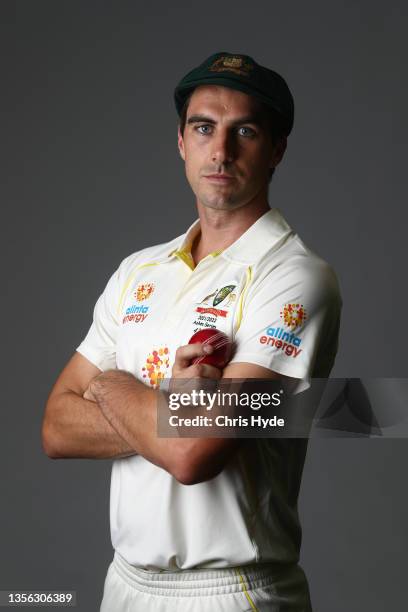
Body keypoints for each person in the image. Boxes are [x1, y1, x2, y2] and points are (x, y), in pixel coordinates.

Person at [42, 52, 342, 611]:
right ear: (182, 142)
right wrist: (168, 409)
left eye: (244, 131)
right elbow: (56, 427)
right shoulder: (138, 271)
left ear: (276, 150)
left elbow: (195, 452)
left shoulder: (296, 276)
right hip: (125, 583)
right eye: (204, 128)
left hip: (232, 592)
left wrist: (109, 387)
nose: (220, 151)